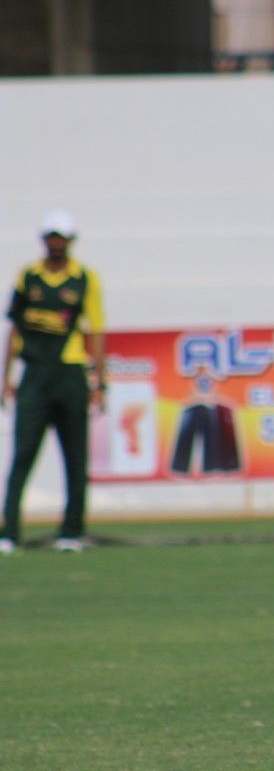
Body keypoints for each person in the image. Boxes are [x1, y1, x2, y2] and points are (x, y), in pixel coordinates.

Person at [0, 210, 107, 555]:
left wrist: (100, 383)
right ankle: (9, 532)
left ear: (70, 241)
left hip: (70, 374)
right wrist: (6, 378)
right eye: (52, 237)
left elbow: (96, 332)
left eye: (62, 237)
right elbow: (14, 328)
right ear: (44, 240)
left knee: (75, 456)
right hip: (34, 375)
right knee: (23, 454)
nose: (56, 244)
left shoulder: (84, 279)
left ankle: (71, 531)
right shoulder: (28, 276)